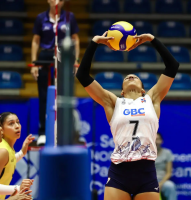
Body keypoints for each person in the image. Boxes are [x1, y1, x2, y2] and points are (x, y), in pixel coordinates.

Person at [76, 32, 179, 200]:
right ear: (122, 91)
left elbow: (172, 66)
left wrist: (152, 40)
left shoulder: (151, 99)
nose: (131, 76)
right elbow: (82, 75)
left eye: (135, 77)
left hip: (146, 172)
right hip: (119, 172)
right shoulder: (114, 103)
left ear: (143, 89)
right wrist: (95, 42)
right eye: (127, 77)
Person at [30, 0, 80, 146]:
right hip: (45, 56)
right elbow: (35, 41)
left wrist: (75, 61)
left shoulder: (70, 17)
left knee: (64, 95)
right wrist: (34, 63)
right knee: (44, 96)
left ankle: (65, 132)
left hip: (63, 56)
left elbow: (75, 40)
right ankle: (43, 133)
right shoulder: (41, 18)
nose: (56, 1)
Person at [0, 112, 35, 200]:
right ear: (1, 130)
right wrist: (17, 188)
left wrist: (22, 153)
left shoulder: (7, 149)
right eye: (11, 123)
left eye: (18, 122)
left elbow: (8, 162)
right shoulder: (2, 151)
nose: (17, 126)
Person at [155, 133, 177, 200]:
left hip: (163, 181)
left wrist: (160, 184)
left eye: (157, 139)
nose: (156, 141)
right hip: (149, 181)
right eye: (153, 139)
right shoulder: (145, 153)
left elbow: (168, 173)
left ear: (161, 141)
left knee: (170, 186)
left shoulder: (167, 153)